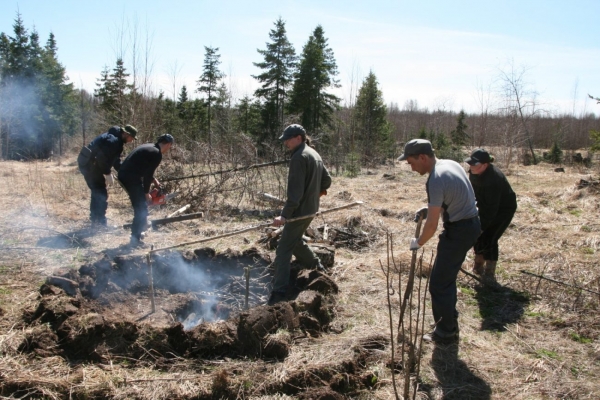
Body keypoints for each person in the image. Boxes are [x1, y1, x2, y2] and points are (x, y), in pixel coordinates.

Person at [399, 139, 480, 344]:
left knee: (439, 283)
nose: (411, 167)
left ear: (423, 157)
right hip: (472, 224)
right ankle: (450, 320)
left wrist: (418, 242)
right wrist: (429, 209)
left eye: (411, 162)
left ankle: (446, 332)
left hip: (459, 230)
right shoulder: (450, 164)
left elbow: (433, 226)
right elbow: (452, 196)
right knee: (446, 278)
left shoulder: (435, 179)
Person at [268, 124, 332, 306]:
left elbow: (294, 195)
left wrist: (284, 216)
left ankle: (279, 292)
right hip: (311, 209)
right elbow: (327, 180)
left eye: (288, 139)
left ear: (298, 137)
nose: (286, 143)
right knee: (294, 242)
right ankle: (317, 266)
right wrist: (315, 194)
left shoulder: (299, 157)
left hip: (299, 212)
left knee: (283, 249)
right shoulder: (314, 154)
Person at [465, 149, 517, 285]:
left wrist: (481, 227)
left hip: (503, 210)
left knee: (490, 238)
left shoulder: (494, 180)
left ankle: (489, 274)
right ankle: (477, 267)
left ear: (485, 165)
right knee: (479, 237)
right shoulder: (475, 172)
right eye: (470, 164)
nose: (471, 167)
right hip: (483, 206)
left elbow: (491, 209)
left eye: (474, 164)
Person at [118, 134, 174, 247]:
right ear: (168, 144)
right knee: (141, 207)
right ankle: (135, 240)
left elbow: (142, 167)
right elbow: (147, 175)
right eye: (170, 147)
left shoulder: (149, 147)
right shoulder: (157, 154)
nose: (169, 149)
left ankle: (139, 232)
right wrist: (146, 193)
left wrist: (154, 180)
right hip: (131, 178)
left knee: (141, 206)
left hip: (124, 174)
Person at [77, 125, 137, 227]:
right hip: (90, 166)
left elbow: (115, 160)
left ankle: (96, 220)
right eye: (131, 137)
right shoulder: (113, 141)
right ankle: (99, 222)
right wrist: (107, 173)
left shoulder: (117, 141)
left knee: (98, 191)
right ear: (126, 134)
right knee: (100, 193)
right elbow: (101, 158)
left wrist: (124, 171)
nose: (131, 140)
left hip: (90, 164)